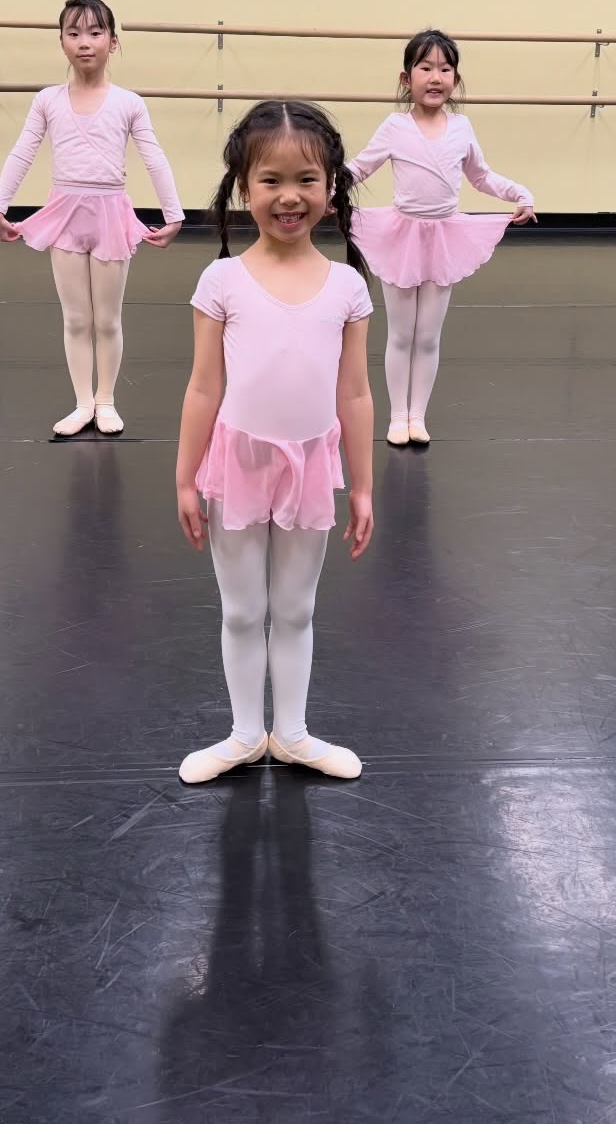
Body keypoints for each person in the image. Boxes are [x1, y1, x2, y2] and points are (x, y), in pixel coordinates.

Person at [175, 101, 374, 783]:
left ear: (331, 188)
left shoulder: (347, 286)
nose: (290, 196)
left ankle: (290, 732)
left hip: (311, 464)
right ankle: (241, 733)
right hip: (238, 462)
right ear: (242, 187)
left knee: (295, 607)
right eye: (271, 180)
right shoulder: (222, 280)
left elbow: (354, 393)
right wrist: (184, 477)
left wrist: (365, 485)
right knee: (242, 610)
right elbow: (203, 386)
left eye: (307, 179)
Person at [0, 0, 184, 435]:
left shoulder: (129, 103)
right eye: (74, 33)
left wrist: (174, 215)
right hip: (66, 213)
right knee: (76, 318)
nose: (85, 42)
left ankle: (107, 400)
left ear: (113, 42)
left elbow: (154, 157)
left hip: (111, 213)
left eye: (95, 33)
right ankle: (81, 402)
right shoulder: (48, 100)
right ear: (61, 42)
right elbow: (23, 152)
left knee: (107, 318)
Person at [348, 29, 535, 445]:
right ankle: (398, 417)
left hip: (445, 237)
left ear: (456, 79)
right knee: (400, 333)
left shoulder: (461, 127)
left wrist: (518, 192)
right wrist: (324, 189)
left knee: (429, 335)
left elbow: (481, 177)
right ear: (406, 78)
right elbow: (358, 168)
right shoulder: (395, 126)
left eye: (445, 69)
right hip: (401, 236)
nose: (436, 77)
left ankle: (419, 415)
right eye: (426, 67)